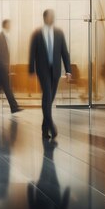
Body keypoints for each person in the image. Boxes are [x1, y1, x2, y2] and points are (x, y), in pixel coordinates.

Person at [29, 9, 71, 139]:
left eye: (53, 16)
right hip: (43, 70)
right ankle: (51, 126)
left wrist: (68, 70)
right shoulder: (37, 33)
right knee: (47, 95)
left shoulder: (59, 33)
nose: (53, 18)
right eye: (50, 16)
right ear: (45, 18)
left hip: (56, 70)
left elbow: (64, 52)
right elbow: (32, 52)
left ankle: (44, 128)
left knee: (49, 99)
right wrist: (31, 69)